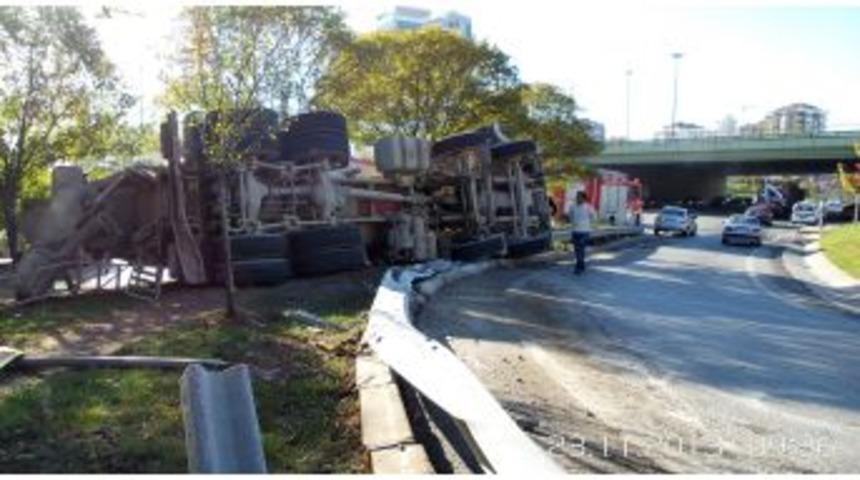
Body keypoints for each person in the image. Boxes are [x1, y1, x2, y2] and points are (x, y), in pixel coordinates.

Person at [568, 191, 596, 274]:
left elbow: (593, 217)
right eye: (577, 197)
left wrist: (586, 224)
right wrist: (573, 223)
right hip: (575, 231)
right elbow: (570, 216)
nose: (577, 198)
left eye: (579, 197)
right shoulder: (572, 206)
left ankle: (578, 267)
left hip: (584, 231)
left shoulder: (588, 207)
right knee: (577, 250)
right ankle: (581, 265)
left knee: (581, 248)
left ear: (584, 198)